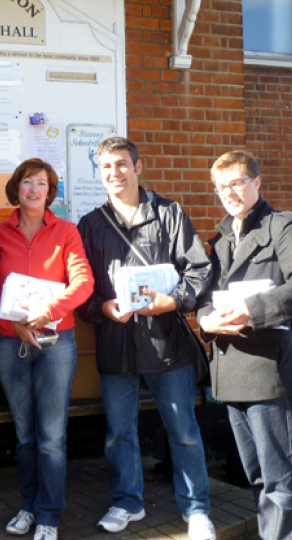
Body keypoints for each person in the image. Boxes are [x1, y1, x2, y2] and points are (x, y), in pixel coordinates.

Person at [76, 137, 216, 540]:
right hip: (115, 343)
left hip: (165, 342)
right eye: (106, 166)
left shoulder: (168, 214)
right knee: (119, 432)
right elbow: (81, 287)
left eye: (122, 164)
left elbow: (200, 270)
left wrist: (173, 301)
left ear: (138, 167)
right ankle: (127, 502)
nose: (114, 173)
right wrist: (102, 307)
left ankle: (196, 509)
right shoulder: (90, 224)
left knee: (183, 431)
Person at [197, 150, 292, 540]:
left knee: (281, 482)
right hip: (230, 374)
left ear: (256, 182)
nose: (229, 192)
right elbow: (207, 298)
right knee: (257, 477)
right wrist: (206, 320)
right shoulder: (220, 239)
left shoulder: (280, 226)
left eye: (237, 183)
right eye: (221, 187)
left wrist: (250, 310)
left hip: (268, 373)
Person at [0, 158, 94, 540]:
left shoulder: (66, 232)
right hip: (10, 341)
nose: (33, 189)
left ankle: (48, 515)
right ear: (16, 188)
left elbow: (83, 282)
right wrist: (11, 322)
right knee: (25, 434)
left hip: (55, 342)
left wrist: (49, 312)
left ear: (50, 192)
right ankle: (28, 506)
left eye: (41, 183)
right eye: (27, 182)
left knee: (51, 437)